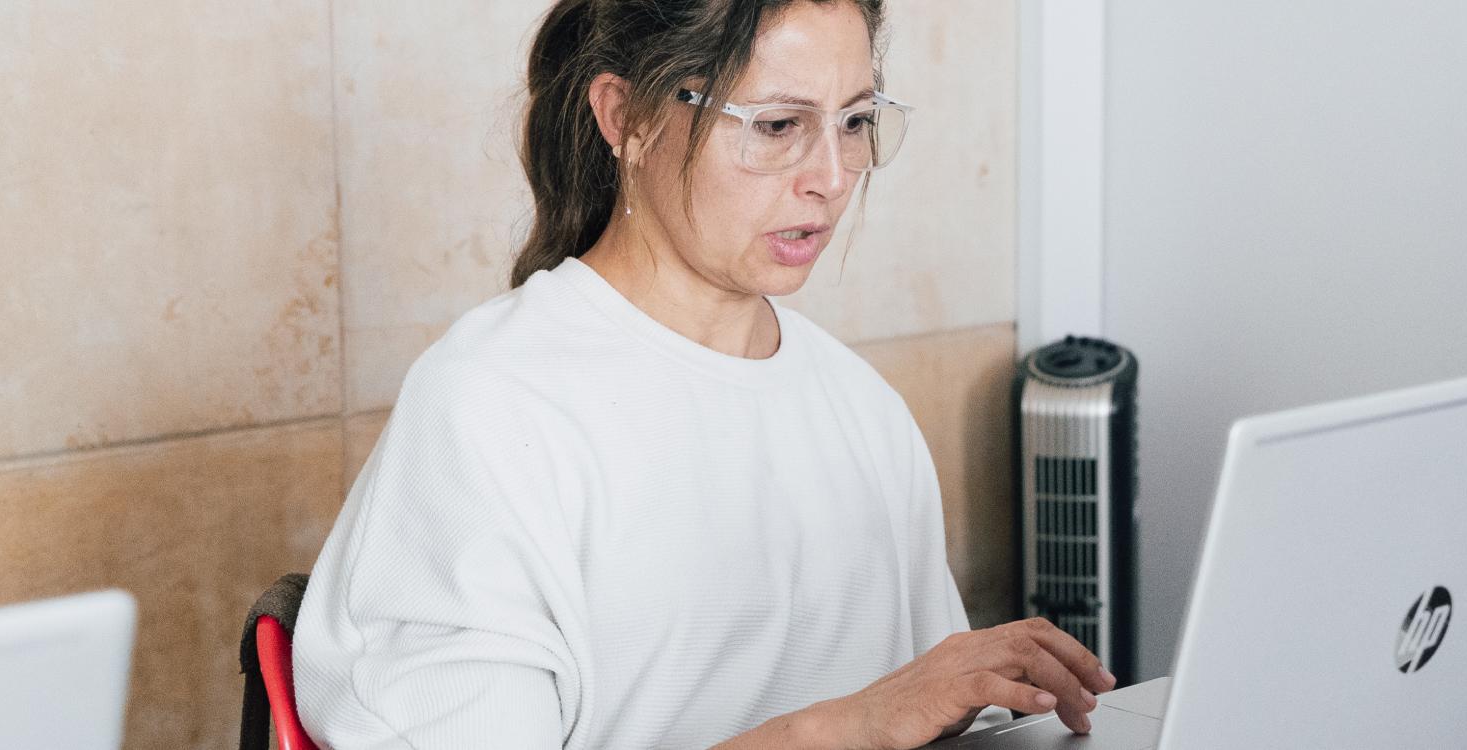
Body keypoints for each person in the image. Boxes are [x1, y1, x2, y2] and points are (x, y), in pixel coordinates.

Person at [291, 1, 1114, 747]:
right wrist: (849, 727)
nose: (831, 176)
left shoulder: (860, 408)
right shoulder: (492, 407)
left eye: (855, 120)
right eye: (778, 124)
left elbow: (933, 724)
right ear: (627, 118)